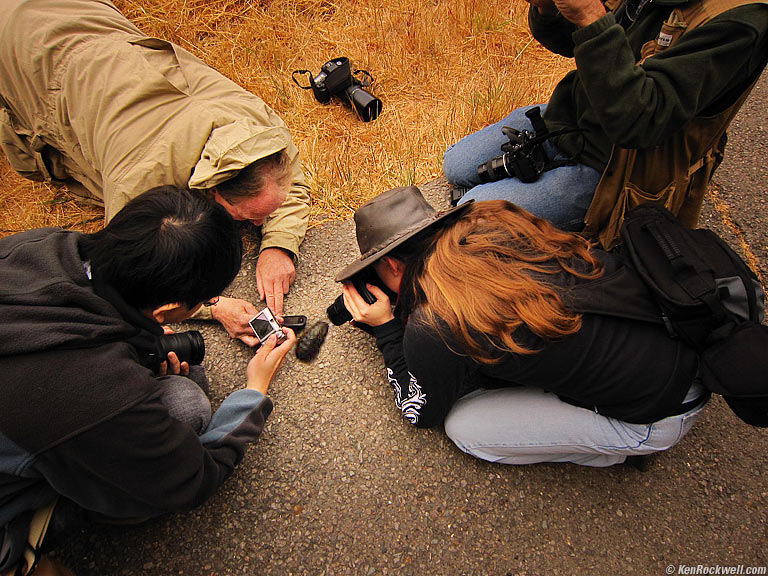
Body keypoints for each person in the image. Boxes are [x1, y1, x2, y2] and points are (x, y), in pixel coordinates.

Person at [0, 187, 296, 576]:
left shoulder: (42, 246)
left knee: (180, 392)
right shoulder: (96, 393)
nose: (210, 302)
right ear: (168, 309)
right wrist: (253, 391)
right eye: (208, 298)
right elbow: (195, 479)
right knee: (185, 409)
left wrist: (144, 348)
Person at [0, 0, 311, 341]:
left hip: (83, 13)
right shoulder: (139, 182)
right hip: (24, 50)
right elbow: (134, 279)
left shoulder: (262, 132)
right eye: (248, 218)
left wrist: (278, 244)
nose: (256, 226)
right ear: (212, 191)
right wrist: (213, 304)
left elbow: (292, 183)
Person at [336, 186, 709, 467]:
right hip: (682, 337)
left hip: (661, 411)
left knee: (466, 428)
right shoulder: (494, 224)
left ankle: (615, 448)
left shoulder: (435, 323)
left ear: (395, 267)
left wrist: (386, 327)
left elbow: (421, 412)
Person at [443, 0, 768, 247]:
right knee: (455, 165)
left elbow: (642, 120)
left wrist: (588, 15)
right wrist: (548, 8)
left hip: (622, 167)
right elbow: (573, 42)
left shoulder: (740, 19)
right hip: (571, 117)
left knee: (468, 219)